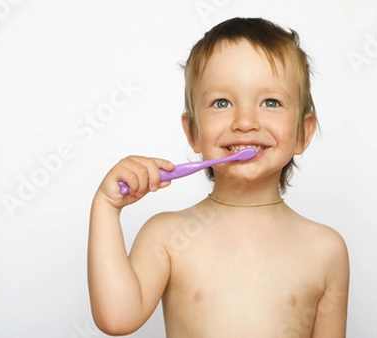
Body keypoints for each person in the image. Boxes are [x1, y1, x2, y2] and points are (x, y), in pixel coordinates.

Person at [88, 17, 349, 337]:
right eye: (221, 102)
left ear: (302, 133)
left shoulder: (326, 250)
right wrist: (106, 207)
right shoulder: (167, 235)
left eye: (271, 102)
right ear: (193, 132)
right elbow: (116, 319)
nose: (245, 121)